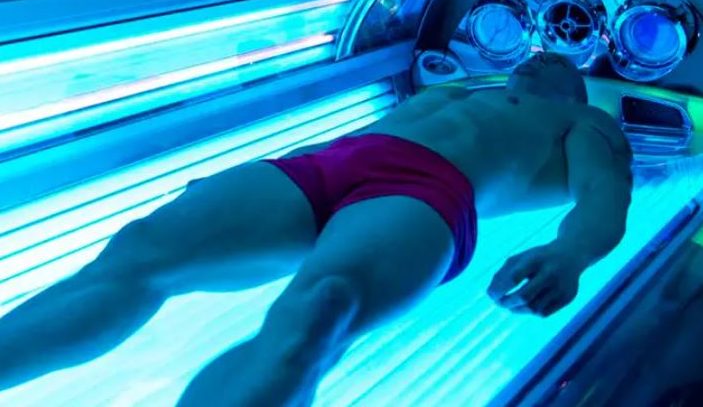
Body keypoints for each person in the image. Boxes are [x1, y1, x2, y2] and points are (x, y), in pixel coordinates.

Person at [0, 52, 633, 406]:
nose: (541, 53)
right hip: (322, 164)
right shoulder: (461, 89)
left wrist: (571, 252)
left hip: (427, 191)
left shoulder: (584, 120)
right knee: (139, 251)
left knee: (321, 311)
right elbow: (368, 131)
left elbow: (604, 192)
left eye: (558, 55)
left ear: (575, 84)